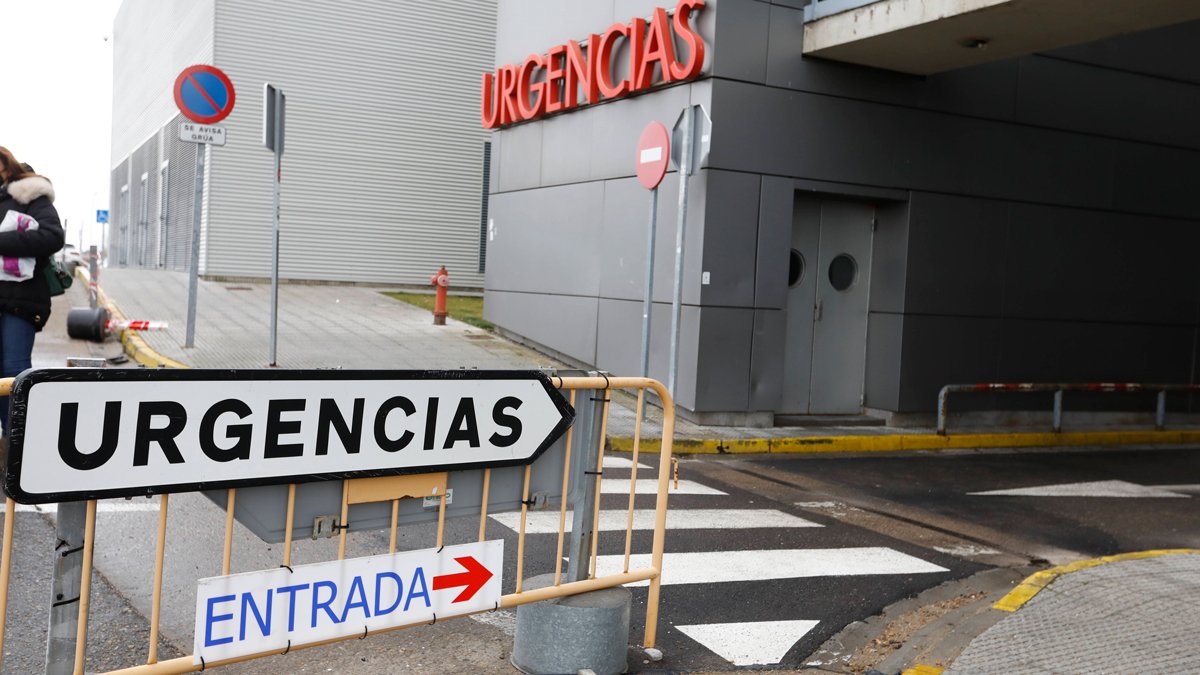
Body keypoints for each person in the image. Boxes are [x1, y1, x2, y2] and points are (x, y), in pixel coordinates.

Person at [0, 147, 65, 435]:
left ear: (6, 166)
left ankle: (16, 444)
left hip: (20, 301)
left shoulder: (30, 195)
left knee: (13, 371)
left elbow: (52, 236)